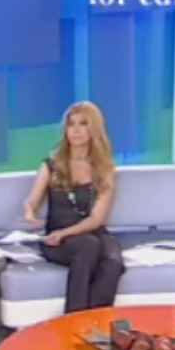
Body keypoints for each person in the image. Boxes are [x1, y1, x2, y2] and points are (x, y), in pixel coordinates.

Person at [21, 101, 125, 313]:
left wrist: (65, 233)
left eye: (83, 124)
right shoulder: (52, 166)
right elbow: (32, 200)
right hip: (57, 240)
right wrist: (29, 212)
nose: (76, 130)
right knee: (87, 246)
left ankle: (94, 321)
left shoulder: (104, 169)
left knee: (113, 261)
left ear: (94, 129)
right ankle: (74, 318)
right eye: (71, 124)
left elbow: (96, 219)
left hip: (90, 232)